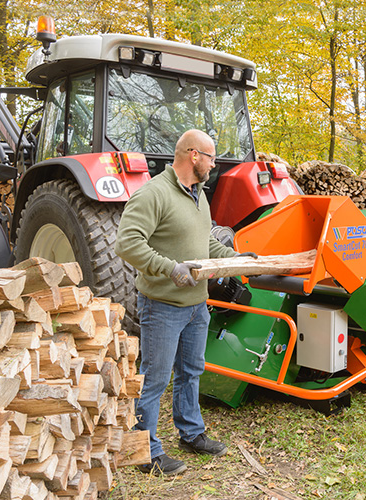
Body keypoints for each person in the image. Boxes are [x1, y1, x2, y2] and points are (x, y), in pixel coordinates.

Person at [115, 129, 256, 476]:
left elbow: (204, 244)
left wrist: (237, 259)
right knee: (154, 379)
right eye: (211, 158)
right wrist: (169, 268)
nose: (214, 165)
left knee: (191, 372)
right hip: (162, 305)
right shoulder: (154, 193)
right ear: (193, 156)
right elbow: (127, 243)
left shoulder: (198, 194)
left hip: (196, 304)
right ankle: (145, 451)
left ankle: (191, 434)